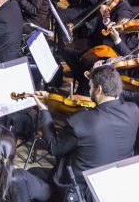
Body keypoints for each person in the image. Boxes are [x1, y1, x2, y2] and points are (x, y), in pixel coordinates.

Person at [31, 65, 139, 198]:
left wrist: (43, 109)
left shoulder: (81, 120)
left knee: (32, 173)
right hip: (111, 187)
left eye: (91, 87)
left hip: (79, 190)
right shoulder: (133, 111)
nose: (89, 91)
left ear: (99, 89)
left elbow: (54, 148)